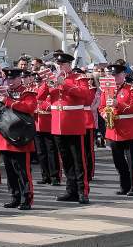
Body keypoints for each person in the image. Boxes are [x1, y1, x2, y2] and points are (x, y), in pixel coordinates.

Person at [44, 52, 94, 204]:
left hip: (74, 125)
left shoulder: (79, 78)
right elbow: (40, 97)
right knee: (65, 161)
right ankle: (70, 190)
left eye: (62, 64)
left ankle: (82, 191)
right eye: (58, 64)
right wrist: (46, 83)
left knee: (79, 161)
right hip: (58, 126)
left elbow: (86, 96)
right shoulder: (53, 79)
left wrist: (64, 83)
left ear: (69, 65)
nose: (59, 67)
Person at [0, 69, 38, 210]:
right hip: (5, 136)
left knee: (22, 170)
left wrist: (7, 101)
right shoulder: (3, 91)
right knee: (9, 170)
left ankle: (27, 198)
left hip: (21, 136)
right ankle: (15, 196)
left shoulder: (27, 92)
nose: (10, 82)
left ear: (20, 78)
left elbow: (30, 107)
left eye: (13, 79)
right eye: (8, 79)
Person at [102, 61, 133, 196]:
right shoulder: (107, 90)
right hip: (113, 130)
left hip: (130, 129)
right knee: (118, 161)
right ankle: (124, 186)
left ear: (124, 75)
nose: (114, 78)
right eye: (112, 75)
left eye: (116, 75)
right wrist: (104, 113)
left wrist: (117, 104)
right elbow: (101, 106)